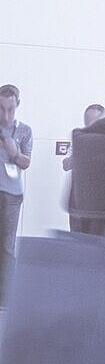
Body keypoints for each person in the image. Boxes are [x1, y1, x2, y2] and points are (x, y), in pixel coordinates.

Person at [0, 84, 32, 307]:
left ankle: (4, 297)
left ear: (17, 104)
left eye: (10, 109)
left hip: (12, 195)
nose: (5, 115)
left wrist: (14, 152)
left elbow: (26, 162)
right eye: (1, 109)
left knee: (7, 246)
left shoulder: (25, 131)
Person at [63, 102, 105, 232]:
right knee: (77, 238)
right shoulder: (79, 139)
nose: (90, 126)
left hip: (101, 206)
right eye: (87, 122)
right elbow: (66, 165)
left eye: (93, 122)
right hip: (78, 204)